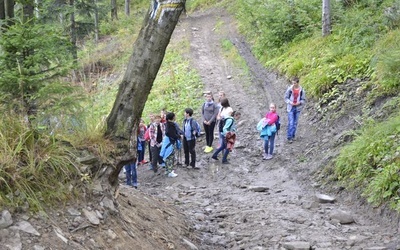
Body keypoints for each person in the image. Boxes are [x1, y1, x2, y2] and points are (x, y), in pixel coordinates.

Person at [284, 77, 306, 143]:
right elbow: (285, 98)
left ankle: (293, 135)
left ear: (297, 83)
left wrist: (299, 103)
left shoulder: (301, 90)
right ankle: (289, 137)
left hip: (298, 108)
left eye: (294, 83)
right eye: (292, 83)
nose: (293, 84)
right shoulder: (289, 89)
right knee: (291, 122)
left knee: (295, 123)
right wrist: (290, 102)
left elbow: (303, 100)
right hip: (290, 107)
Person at [160, 112, 180, 177]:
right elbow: (171, 134)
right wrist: (178, 136)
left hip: (169, 142)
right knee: (170, 157)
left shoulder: (168, 124)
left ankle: (168, 170)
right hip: (170, 143)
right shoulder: (171, 125)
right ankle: (170, 172)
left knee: (169, 157)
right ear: (172, 117)